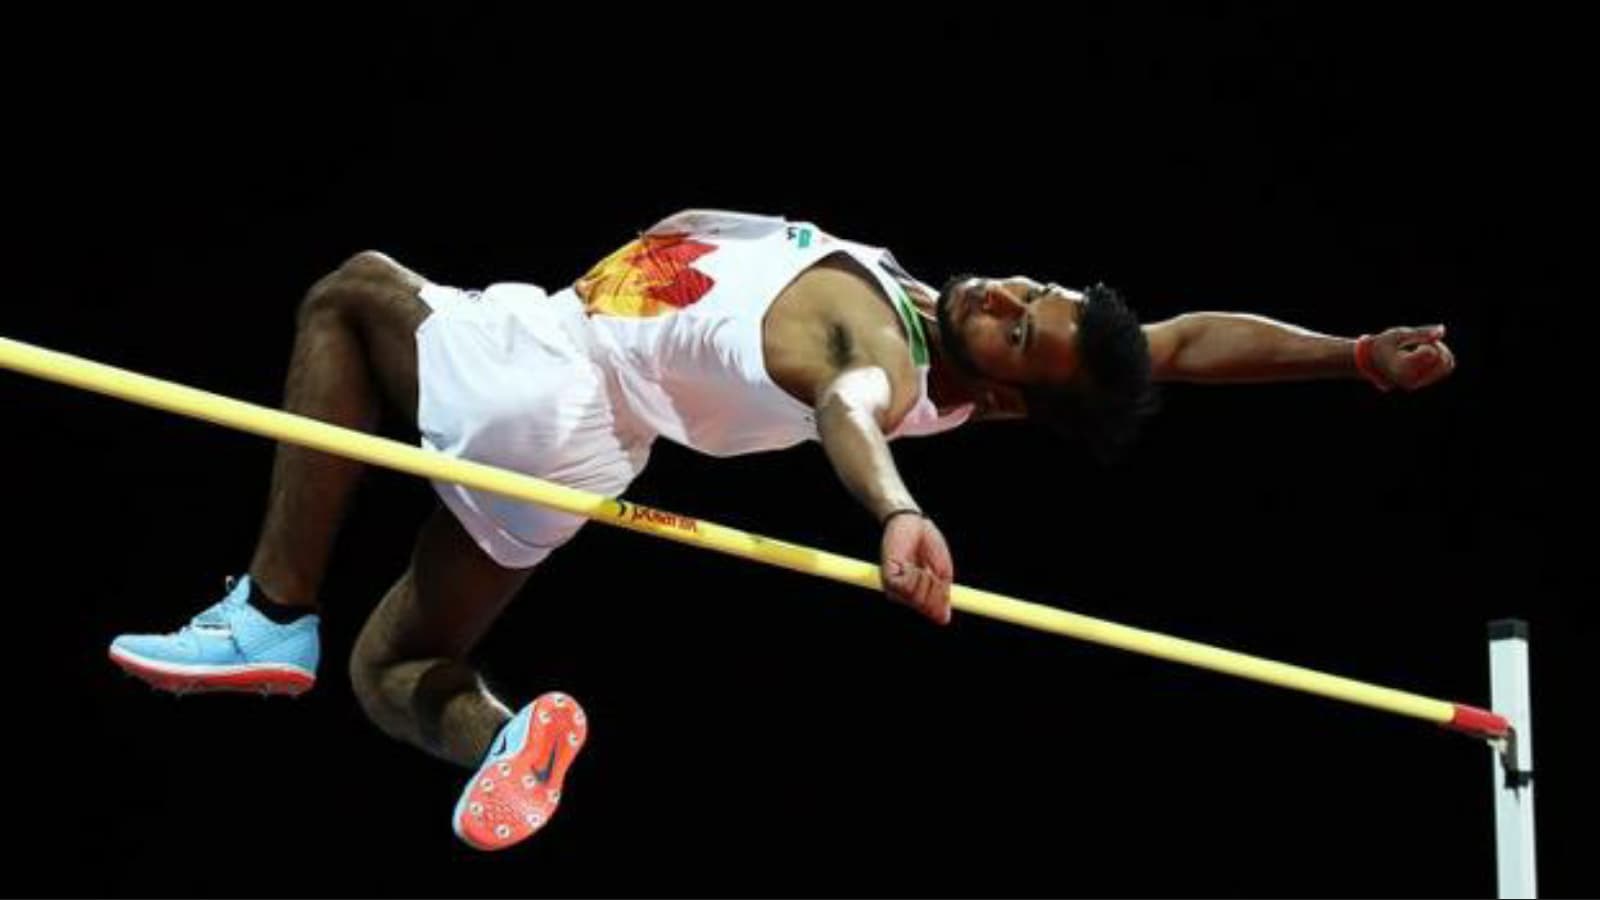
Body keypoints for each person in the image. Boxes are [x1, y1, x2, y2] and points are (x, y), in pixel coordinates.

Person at [106, 209, 1456, 851]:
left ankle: (269, 607)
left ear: (993, 399)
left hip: (561, 367)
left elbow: (852, 412)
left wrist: (897, 514)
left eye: (1019, 331)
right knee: (396, 673)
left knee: (350, 295)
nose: (1012, 297)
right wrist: (1350, 358)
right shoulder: (950, 333)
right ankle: (510, 734)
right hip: (584, 444)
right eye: (1035, 293)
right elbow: (1173, 344)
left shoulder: (880, 349)